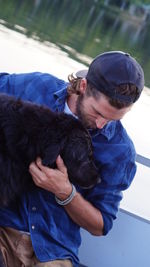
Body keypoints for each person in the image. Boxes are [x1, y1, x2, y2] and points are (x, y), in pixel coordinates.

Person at [0, 51, 144, 267]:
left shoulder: (120, 151)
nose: (101, 124)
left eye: (113, 119)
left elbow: (100, 225)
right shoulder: (35, 87)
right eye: (98, 113)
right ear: (84, 86)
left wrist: (65, 193)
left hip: (53, 250)